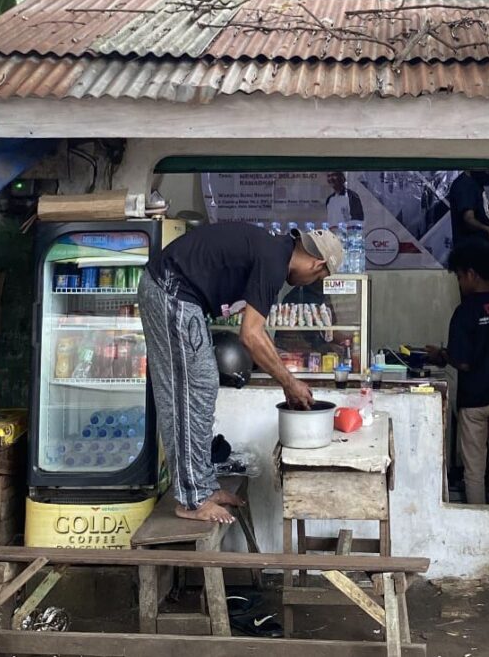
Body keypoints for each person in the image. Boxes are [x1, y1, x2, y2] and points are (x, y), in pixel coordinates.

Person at [140, 223, 343, 524]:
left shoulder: (273, 252)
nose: (308, 283)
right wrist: (289, 382)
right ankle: (193, 498)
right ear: (318, 264)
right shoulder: (274, 261)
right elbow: (250, 335)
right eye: (319, 277)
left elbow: (255, 331)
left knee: (203, 384)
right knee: (189, 392)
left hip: (178, 296)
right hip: (170, 291)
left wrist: (284, 380)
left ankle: (204, 486)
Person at [426, 240, 489, 506]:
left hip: (474, 401)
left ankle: (478, 535)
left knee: (474, 472)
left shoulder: (465, 312)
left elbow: (463, 362)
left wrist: (442, 356)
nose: (460, 282)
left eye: (459, 275)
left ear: (471, 274)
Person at [448, 170, 489, 290]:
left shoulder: (475, 183)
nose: (488, 171)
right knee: (486, 302)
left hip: (483, 255)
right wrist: (488, 229)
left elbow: (484, 218)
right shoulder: (464, 185)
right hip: (474, 259)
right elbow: (468, 219)